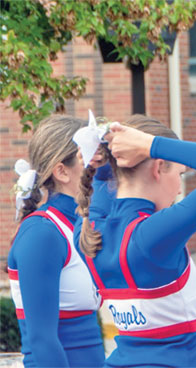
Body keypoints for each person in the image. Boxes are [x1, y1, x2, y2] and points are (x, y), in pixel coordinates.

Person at [74, 115, 196, 367]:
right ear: (158, 168)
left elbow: (101, 182)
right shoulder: (152, 235)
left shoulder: (89, 229)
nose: (179, 189)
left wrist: (103, 164)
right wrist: (150, 144)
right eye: (180, 173)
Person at [7, 115, 105, 367]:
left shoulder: (84, 224)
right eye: (90, 161)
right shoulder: (43, 233)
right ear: (61, 171)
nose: (102, 169)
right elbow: (42, 342)